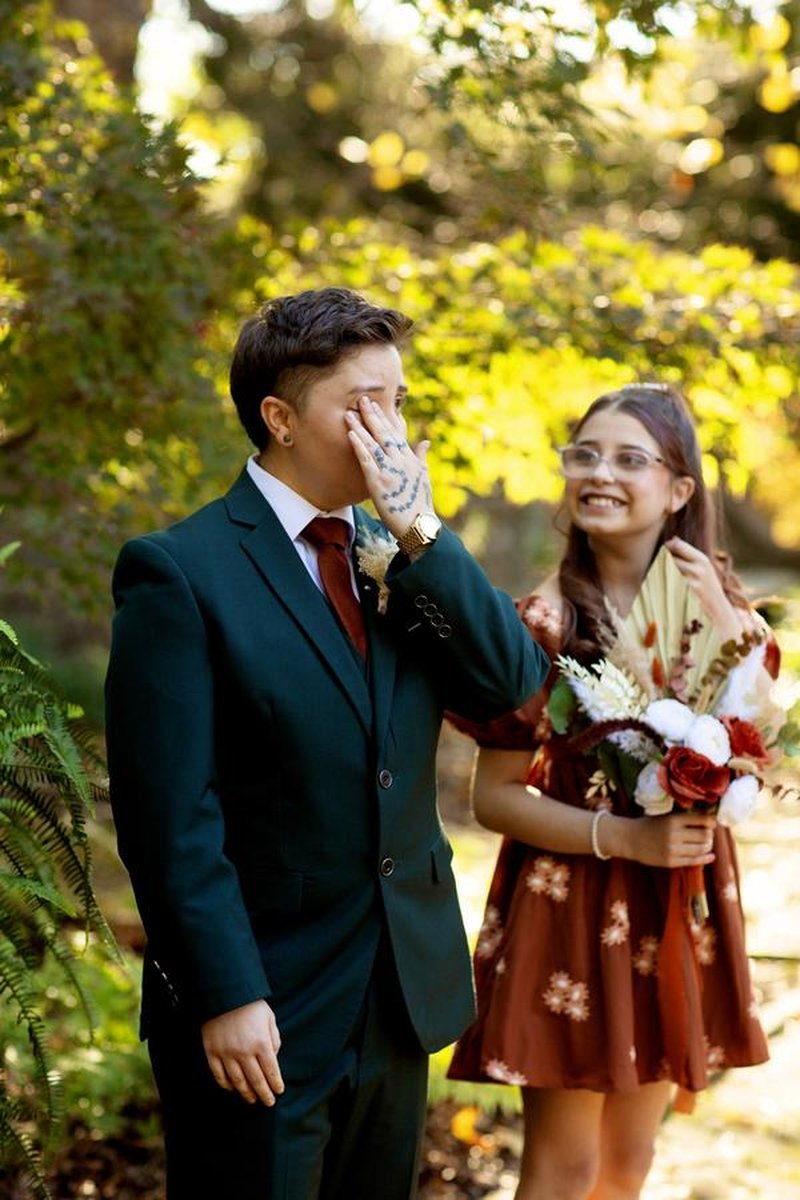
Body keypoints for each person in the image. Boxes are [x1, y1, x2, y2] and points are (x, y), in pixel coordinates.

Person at [104, 286, 549, 1200]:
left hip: (394, 992)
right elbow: (169, 815)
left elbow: (509, 686)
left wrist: (422, 531)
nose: (390, 429)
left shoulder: (398, 558)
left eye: (399, 402)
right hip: (259, 1008)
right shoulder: (178, 572)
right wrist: (226, 994)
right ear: (279, 418)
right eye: (362, 404)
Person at [448, 383, 777, 1200]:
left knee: (628, 1167)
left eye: (631, 459)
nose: (601, 473)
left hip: (677, 906)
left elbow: (766, 750)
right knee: (566, 1169)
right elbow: (494, 798)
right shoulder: (542, 624)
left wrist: (742, 658)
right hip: (573, 904)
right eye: (585, 455)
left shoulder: (724, 613)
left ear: (679, 490)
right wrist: (625, 837)